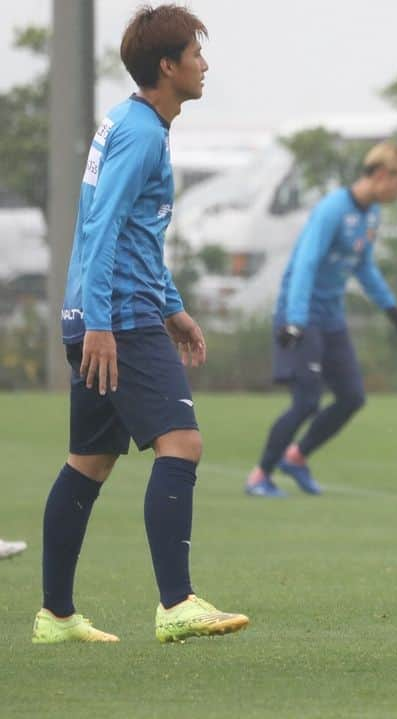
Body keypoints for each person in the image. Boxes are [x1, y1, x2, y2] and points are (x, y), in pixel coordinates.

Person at [34, 5, 249, 645]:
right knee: (181, 443)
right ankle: (176, 602)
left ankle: (56, 616)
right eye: (195, 54)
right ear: (167, 65)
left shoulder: (130, 123)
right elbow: (100, 229)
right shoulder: (144, 134)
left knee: (88, 462)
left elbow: (131, 234)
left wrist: (172, 305)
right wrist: (104, 322)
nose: (204, 65)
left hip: (104, 312)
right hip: (117, 321)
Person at [244, 142, 397, 498]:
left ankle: (297, 456)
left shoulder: (371, 215)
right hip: (302, 316)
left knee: (351, 397)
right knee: (306, 401)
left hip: (332, 318)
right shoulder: (333, 209)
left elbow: (362, 265)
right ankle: (260, 475)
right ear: (382, 174)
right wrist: (295, 320)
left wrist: (390, 305)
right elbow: (306, 263)